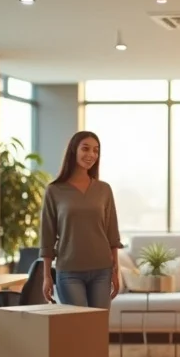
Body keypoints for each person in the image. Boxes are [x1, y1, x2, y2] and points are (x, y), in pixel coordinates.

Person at [39, 131, 123, 309]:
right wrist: (47, 276)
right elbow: (47, 237)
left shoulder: (103, 189)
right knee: (78, 327)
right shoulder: (54, 190)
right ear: (73, 151)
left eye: (96, 150)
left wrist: (116, 271)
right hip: (69, 271)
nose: (91, 155)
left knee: (98, 329)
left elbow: (112, 233)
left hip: (102, 270)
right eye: (85, 149)